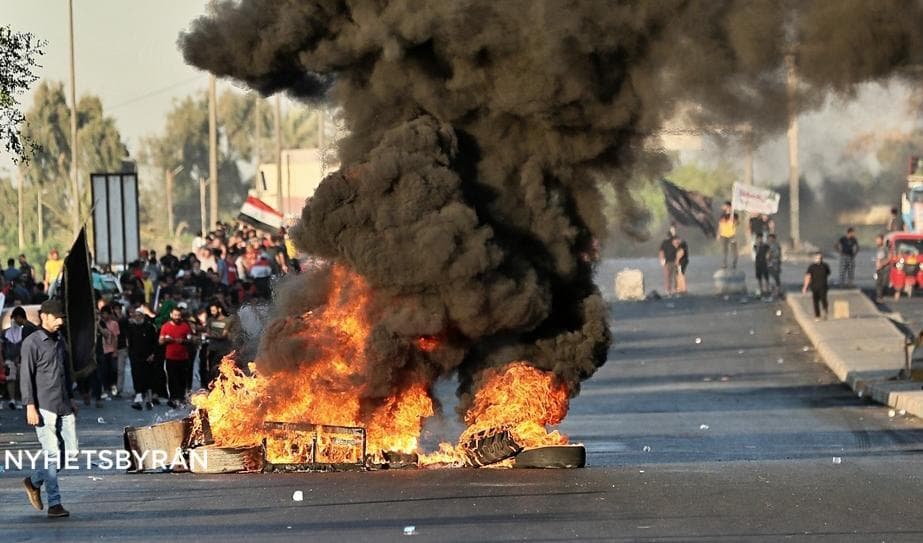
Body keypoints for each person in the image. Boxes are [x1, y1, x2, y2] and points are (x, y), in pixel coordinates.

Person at [20, 299, 78, 518]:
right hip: (43, 407)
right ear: (44, 316)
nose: (60, 321)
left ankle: (33, 481)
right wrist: (30, 406)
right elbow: (26, 377)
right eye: (57, 317)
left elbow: (65, 372)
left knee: (71, 453)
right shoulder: (32, 342)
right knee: (52, 455)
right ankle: (55, 504)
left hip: (63, 403)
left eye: (62, 317)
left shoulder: (60, 340)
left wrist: (71, 398)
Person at [3, 306, 38, 410]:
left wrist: (20, 357)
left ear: (19, 317)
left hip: (27, 359)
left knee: (27, 381)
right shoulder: (31, 327)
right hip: (28, 359)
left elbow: (26, 345)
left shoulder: (27, 328)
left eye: (15, 318)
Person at [125, 307, 159, 410]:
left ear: (143, 316)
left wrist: (153, 354)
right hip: (135, 357)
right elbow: (129, 342)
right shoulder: (131, 327)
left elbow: (155, 343)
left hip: (148, 357)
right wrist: (130, 354)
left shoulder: (150, 327)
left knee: (148, 378)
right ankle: (138, 399)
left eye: (139, 315)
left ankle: (149, 400)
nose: (137, 317)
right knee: (137, 377)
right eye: (135, 315)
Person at [159, 307, 193, 408]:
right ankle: (173, 398)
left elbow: (190, 340)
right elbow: (160, 341)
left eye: (179, 315)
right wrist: (166, 339)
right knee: (172, 379)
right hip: (171, 358)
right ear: (171, 315)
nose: (177, 317)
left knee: (182, 379)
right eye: (175, 315)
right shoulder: (165, 327)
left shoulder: (185, 326)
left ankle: (182, 398)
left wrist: (183, 341)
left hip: (183, 358)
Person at [802, 252, 831, 320]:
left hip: (823, 286)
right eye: (817, 258)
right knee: (815, 302)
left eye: (820, 258)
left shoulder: (825, 266)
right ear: (814, 258)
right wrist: (805, 287)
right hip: (814, 286)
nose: (819, 259)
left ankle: (825, 310)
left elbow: (828, 273)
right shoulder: (811, 267)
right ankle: (817, 315)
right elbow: (808, 276)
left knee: (824, 299)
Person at [717, 201, 739, 270]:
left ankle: (734, 263)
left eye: (724, 206)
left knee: (734, 251)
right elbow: (720, 225)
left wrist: (733, 220)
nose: (723, 207)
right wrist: (718, 234)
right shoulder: (722, 215)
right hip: (723, 235)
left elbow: (737, 223)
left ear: (729, 207)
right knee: (724, 250)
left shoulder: (735, 215)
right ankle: (724, 264)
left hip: (732, 235)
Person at [874, 234, 890, 303]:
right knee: (878, 283)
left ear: (882, 240)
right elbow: (878, 258)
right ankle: (879, 297)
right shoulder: (879, 249)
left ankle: (881, 296)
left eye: (878, 240)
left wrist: (882, 264)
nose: (877, 242)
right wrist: (877, 265)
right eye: (876, 241)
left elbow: (889, 258)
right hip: (879, 269)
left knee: (883, 283)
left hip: (884, 269)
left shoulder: (885, 248)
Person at [766, 233, 783, 297]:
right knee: (772, 278)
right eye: (769, 239)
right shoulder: (769, 246)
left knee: (776, 277)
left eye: (771, 238)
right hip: (770, 264)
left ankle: (777, 291)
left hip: (775, 263)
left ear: (774, 239)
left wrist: (770, 255)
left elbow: (777, 255)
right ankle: (775, 291)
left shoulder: (775, 246)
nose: (769, 240)